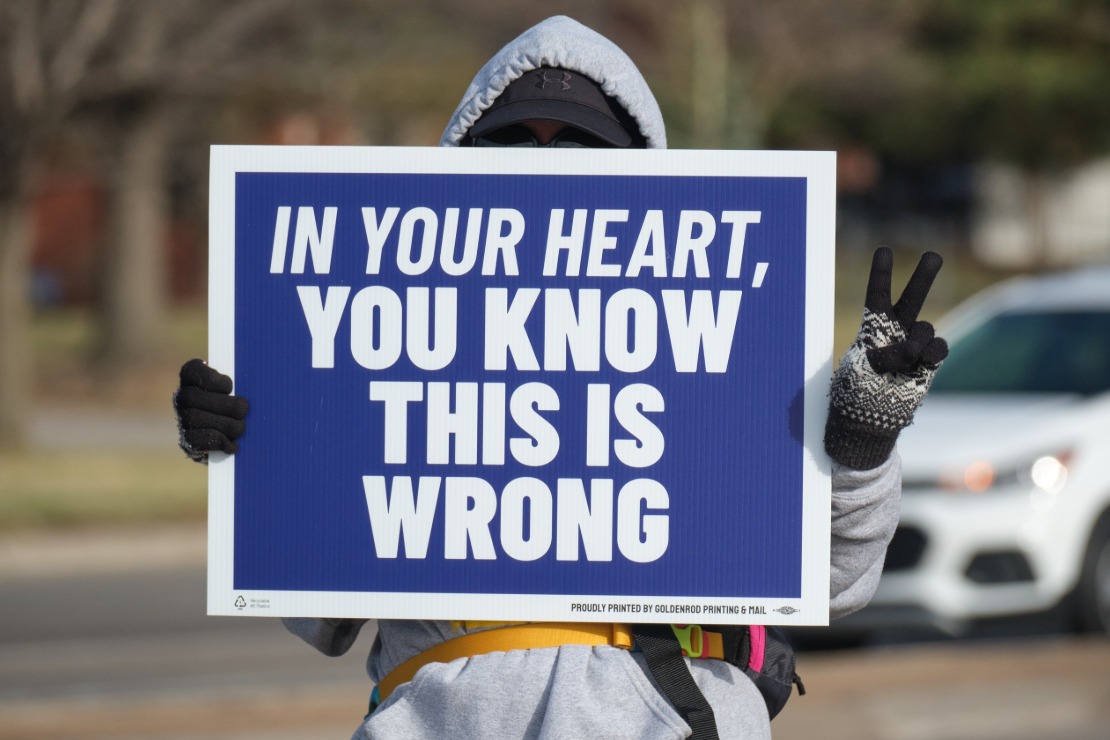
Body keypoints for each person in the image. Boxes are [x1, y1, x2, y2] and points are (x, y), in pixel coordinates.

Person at [174, 15, 948, 739]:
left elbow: (835, 585)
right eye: (513, 142)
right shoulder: (391, 342)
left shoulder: (719, 349)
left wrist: (859, 448)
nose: (543, 163)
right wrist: (252, 449)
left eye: (579, 146)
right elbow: (317, 614)